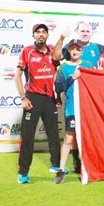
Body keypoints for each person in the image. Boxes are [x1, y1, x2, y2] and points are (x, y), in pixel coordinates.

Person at [15, 23, 63, 184]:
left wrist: (56, 94)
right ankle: (23, 172)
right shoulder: (27, 51)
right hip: (32, 99)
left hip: (49, 99)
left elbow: (56, 67)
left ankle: (55, 165)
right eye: (37, 32)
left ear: (48, 35)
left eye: (43, 32)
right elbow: (18, 76)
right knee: (28, 137)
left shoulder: (52, 50)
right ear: (33, 35)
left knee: (54, 135)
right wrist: (23, 97)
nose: (41, 34)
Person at [53, 39, 93, 183]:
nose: (75, 51)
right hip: (72, 109)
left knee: (87, 138)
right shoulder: (63, 68)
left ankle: (87, 168)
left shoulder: (88, 65)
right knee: (69, 138)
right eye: (72, 49)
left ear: (82, 50)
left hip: (87, 109)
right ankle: (61, 169)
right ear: (69, 51)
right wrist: (72, 77)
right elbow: (58, 88)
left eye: (78, 49)